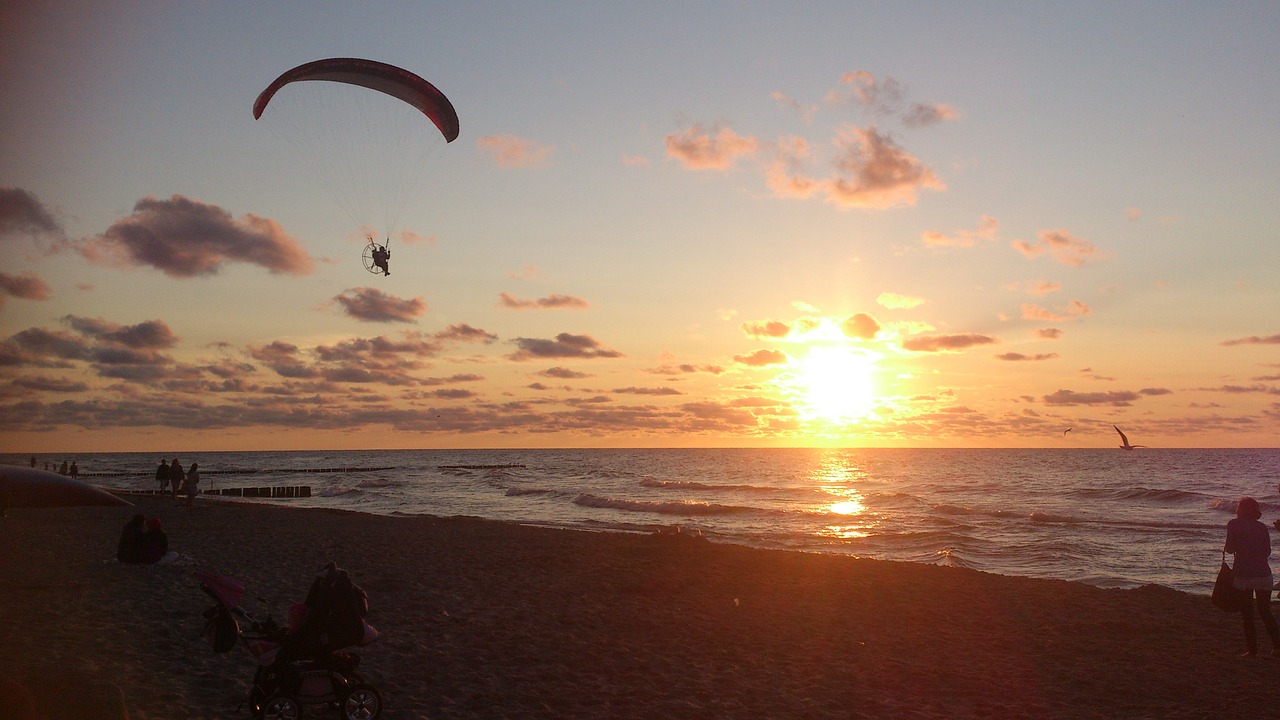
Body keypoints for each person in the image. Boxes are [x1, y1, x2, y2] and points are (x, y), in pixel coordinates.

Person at [1225, 496, 1280, 657]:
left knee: (1247, 613)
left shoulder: (1233, 524)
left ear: (1241, 509)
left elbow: (1229, 548)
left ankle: (1253, 650)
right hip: (1263, 574)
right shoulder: (1262, 527)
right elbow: (1267, 552)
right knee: (1265, 611)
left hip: (1244, 574)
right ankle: (1277, 647)